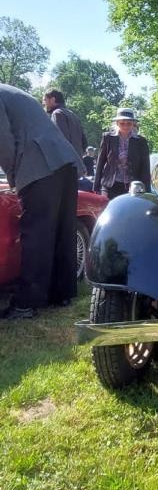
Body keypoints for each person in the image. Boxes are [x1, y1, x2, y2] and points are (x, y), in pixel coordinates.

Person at [0, 83, 82, 319]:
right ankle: (61, 293)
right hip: (64, 161)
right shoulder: (10, 90)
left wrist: (14, 176)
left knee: (36, 233)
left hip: (38, 162)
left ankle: (26, 304)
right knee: (61, 229)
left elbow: (3, 142)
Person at [94, 107, 151, 200]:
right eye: (122, 123)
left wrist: (147, 191)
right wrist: (96, 187)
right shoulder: (108, 138)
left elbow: (145, 167)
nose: (125, 126)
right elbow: (100, 162)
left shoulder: (141, 141)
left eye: (129, 123)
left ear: (133, 124)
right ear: (117, 123)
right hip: (109, 185)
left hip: (132, 187)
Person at [43, 90, 87, 160]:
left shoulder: (57, 113)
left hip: (65, 163)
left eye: (45, 100)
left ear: (52, 100)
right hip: (78, 164)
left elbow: (60, 140)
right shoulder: (73, 115)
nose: (43, 103)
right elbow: (84, 143)